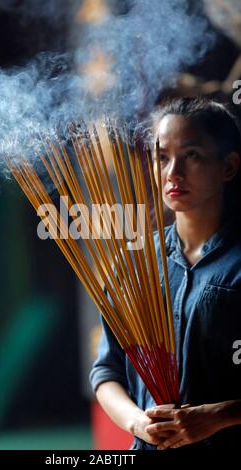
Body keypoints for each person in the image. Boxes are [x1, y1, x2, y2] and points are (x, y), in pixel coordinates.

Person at [89, 96, 241, 450]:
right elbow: (107, 371)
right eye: (162, 158)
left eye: (191, 155)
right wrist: (138, 423)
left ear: (229, 167)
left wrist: (219, 416)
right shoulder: (135, 263)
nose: (173, 173)